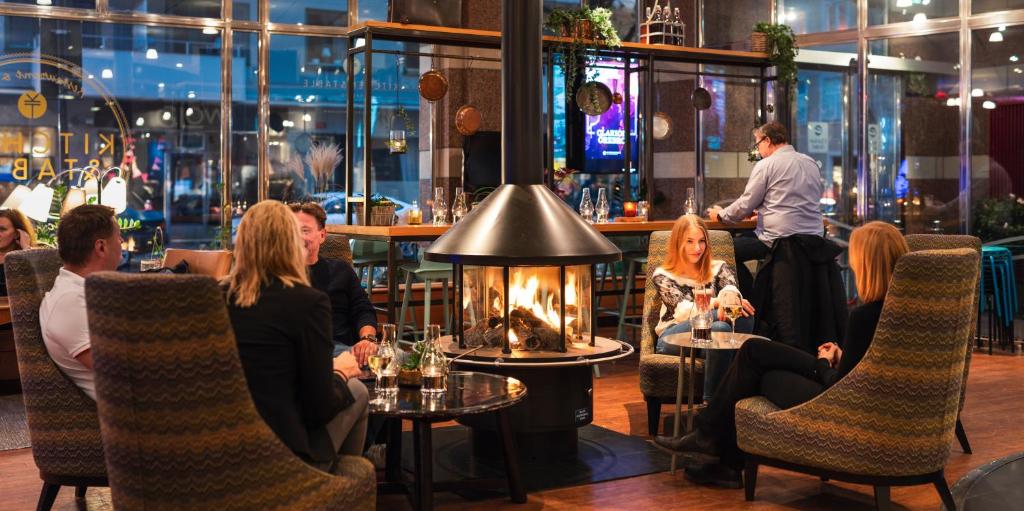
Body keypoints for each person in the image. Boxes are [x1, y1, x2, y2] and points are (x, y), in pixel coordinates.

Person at [653, 221, 909, 488]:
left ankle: (715, 445)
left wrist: (823, 363)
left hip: (841, 403)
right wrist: (841, 354)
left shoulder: (864, 316)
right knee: (754, 351)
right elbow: (869, 365)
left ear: (870, 264)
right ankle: (717, 450)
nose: (853, 265)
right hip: (865, 397)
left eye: (856, 258)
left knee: (761, 373)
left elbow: (839, 386)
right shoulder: (901, 312)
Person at [225, 200, 368, 471]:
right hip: (282, 458)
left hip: (227, 449)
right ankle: (331, 491)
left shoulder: (217, 297)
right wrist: (338, 372)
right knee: (358, 390)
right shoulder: (307, 302)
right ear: (289, 241)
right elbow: (318, 408)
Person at [707, 122, 824, 296]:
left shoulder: (767, 165)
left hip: (779, 241)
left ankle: (752, 298)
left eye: (758, 143)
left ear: (767, 140)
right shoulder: (810, 162)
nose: (758, 149)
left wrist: (720, 215)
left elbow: (746, 204)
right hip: (813, 239)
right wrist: (764, 213)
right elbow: (807, 198)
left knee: (719, 250)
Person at [652, 214, 754, 402]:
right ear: (677, 242)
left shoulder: (718, 267)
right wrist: (717, 303)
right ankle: (723, 401)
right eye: (689, 241)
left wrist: (732, 297)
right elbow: (682, 311)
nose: (697, 248)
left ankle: (711, 405)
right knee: (724, 324)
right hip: (674, 337)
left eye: (701, 241)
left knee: (730, 324)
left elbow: (730, 287)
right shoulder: (663, 274)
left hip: (709, 338)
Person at [40, 205, 124, 400]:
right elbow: (119, 370)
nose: (122, 243)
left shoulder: (84, 291)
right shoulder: (69, 302)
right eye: (119, 237)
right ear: (101, 247)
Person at [290, 201, 378, 363]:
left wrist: (367, 341)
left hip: (349, 348)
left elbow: (363, 310)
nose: (298, 237)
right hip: (313, 351)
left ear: (322, 235)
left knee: (399, 356)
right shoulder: (280, 275)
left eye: (305, 230)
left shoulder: (341, 270)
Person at [0, 208, 36, 296]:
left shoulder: (25, 258)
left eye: (2, 229)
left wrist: (26, 249)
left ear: (17, 233)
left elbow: (36, 286)